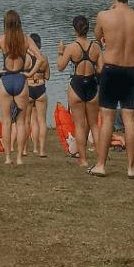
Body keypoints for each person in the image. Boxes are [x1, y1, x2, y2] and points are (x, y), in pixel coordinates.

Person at [90, 0, 134, 178]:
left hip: (111, 69)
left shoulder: (104, 15)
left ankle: (100, 165)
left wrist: (106, 38)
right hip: (131, 71)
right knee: (129, 119)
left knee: (106, 119)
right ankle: (131, 168)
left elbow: (99, 36)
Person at [0, 10, 46, 166]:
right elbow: (39, 58)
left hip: (5, 80)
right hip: (20, 79)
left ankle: (7, 158)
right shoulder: (25, 40)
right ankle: (19, 158)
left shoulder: (1, 40)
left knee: (6, 122)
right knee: (21, 122)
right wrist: (30, 73)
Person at [57, 16, 102, 167]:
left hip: (76, 86)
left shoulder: (71, 47)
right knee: (94, 124)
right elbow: (101, 69)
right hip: (91, 85)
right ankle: (100, 159)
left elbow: (60, 67)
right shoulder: (95, 47)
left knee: (79, 125)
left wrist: (60, 53)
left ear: (74, 30)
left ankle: (82, 159)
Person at [26, 33, 50, 157]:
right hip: (41, 88)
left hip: (29, 89)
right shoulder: (44, 58)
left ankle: (28, 149)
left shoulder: (25, 58)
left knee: (29, 121)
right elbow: (47, 77)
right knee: (42, 121)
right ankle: (41, 151)